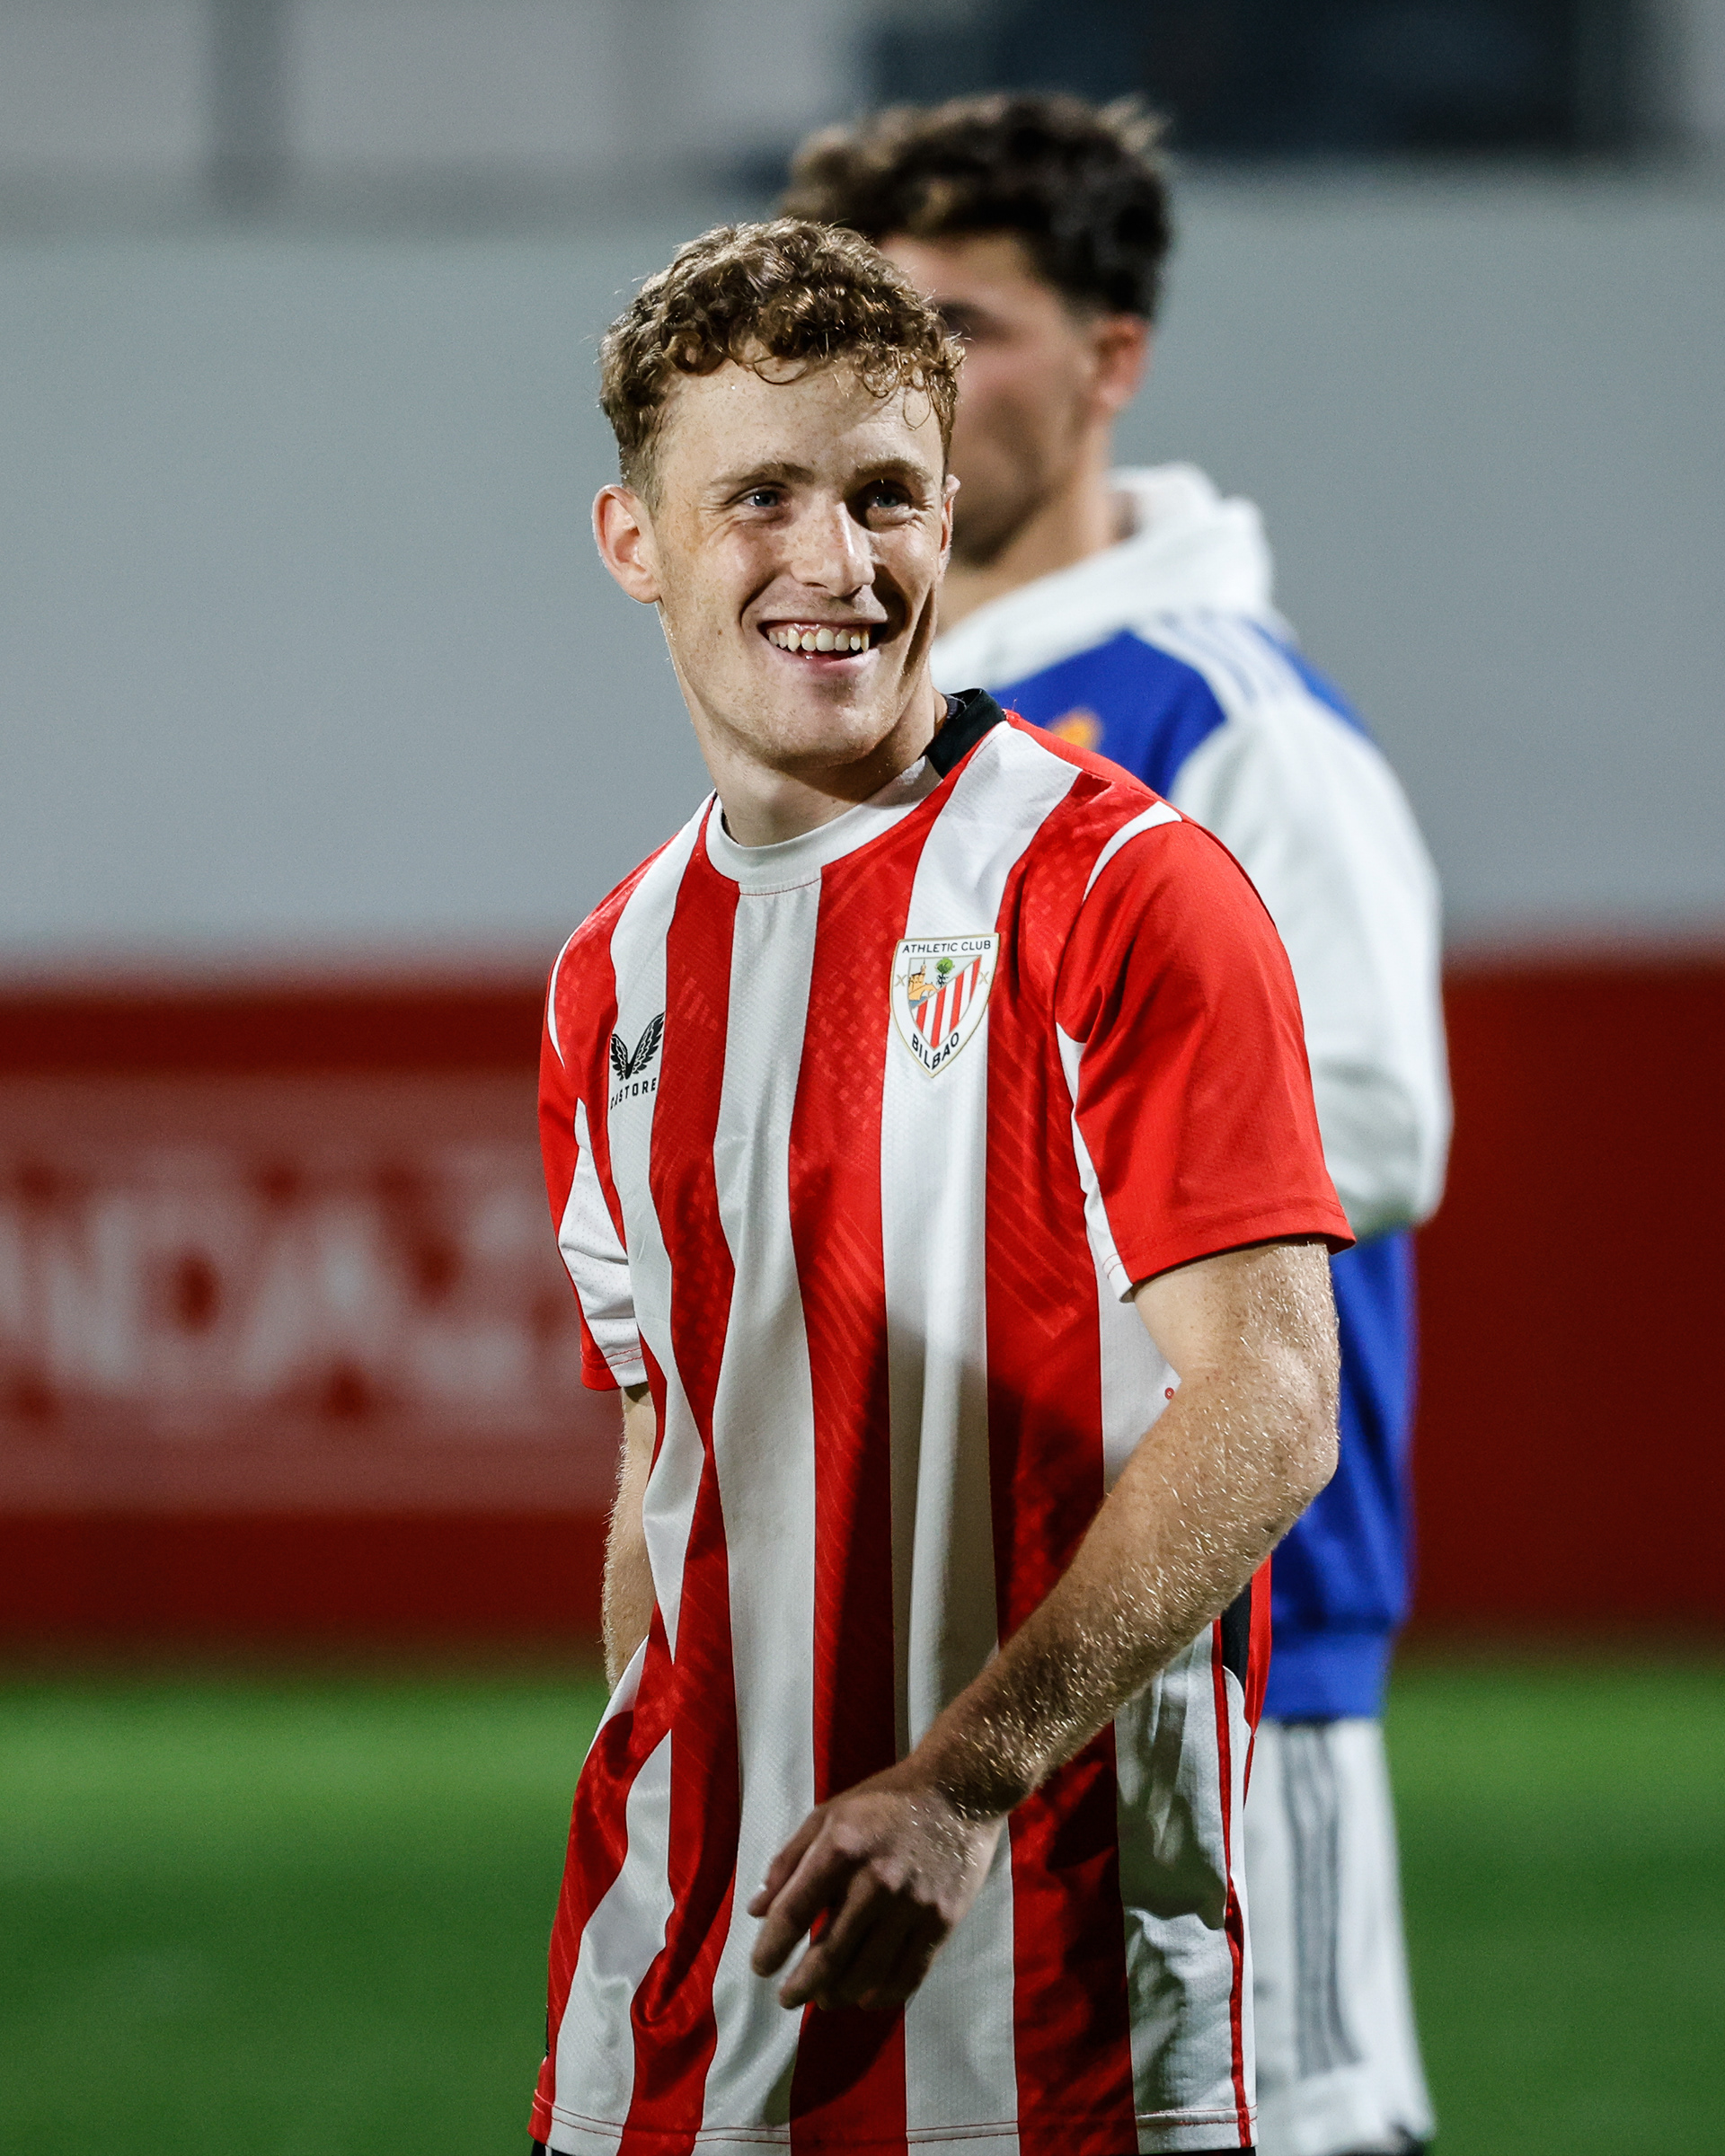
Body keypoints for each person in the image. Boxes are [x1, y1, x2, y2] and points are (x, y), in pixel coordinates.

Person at [531, 215, 1352, 2156]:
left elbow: (1271, 1400)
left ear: (950, 516)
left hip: (1051, 2006)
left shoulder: (1126, 895)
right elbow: (663, 1448)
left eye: (886, 495)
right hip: (674, 1989)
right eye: (762, 497)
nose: (836, 563)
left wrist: (963, 1781)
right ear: (633, 540)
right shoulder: (609, 978)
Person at [783, 96, 1449, 2156]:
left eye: (967, 327)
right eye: (872, 334)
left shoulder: (1219, 716)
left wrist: (977, 1187)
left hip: (1218, 1643)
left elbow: (1380, 1119)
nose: (912, 384)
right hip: (961, 1649)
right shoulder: (883, 735)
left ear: (1112, 360)